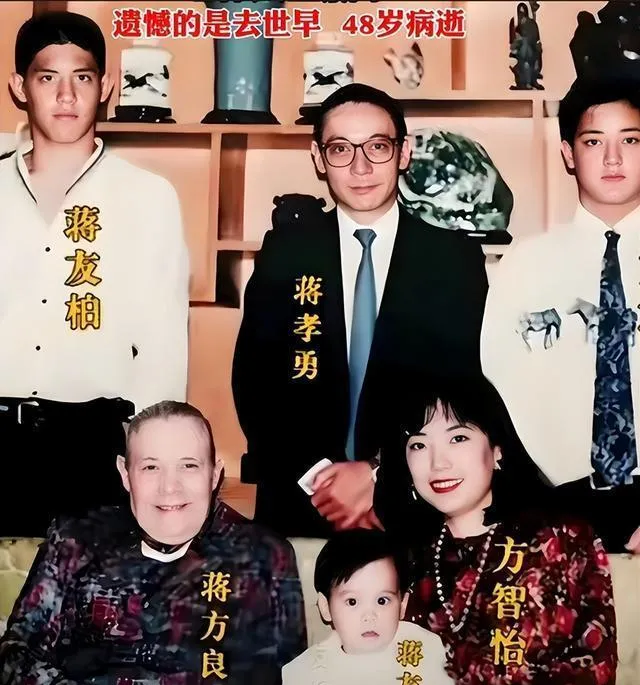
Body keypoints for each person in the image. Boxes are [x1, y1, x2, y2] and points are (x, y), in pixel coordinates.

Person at [232, 83, 488, 537]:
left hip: (415, 502)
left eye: (377, 146)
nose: (361, 166)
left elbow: (465, 387)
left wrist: (377, 474)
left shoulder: (454, 260)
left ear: (403, 152)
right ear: (318, 158)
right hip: (301, 502)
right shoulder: (285, 255)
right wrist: (323, 482)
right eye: (340, 149)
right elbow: (255, 384)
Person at [0, 11, 190, 537]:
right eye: (48, 78)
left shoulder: (147, 197)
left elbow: (163, 346)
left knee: (92, 587)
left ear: (105, 86)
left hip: (93, 444)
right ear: (19, 86)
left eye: (81, 77)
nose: (66, 96)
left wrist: (155, 462)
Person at [0, 401, 307, 684]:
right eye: (150, 467)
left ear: (215, 473)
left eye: (188, 466)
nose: (169, 487)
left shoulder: (264, 555)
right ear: (125, 473)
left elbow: (290, 674)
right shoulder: (76, 539)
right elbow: (17, 655)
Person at [481, 77, 640, 553]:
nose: (612, 159)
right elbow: (496, 385)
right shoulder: (525, 263)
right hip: (555, 507)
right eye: (594, 142)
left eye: (630, 140)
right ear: (569, 153)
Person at [373, 375, 617, 685]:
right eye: (419, 445)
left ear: (497, 449)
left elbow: (596, 667)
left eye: (458, 438)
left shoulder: (561, 539)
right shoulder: (402, 556)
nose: (438, 463)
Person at [282, 529, 453, 685]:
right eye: (352, 602)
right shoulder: (306, 674)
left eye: (382, 601)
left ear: (402, 604)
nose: (369, 616)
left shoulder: (427, 650)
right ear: (325, 607)